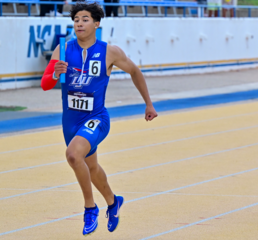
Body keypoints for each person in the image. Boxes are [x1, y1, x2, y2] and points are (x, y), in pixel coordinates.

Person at [41, 2, 158, 235]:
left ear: (96, 23)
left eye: (85, 19)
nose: (79, 24)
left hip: (96, 118)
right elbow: (45, 85)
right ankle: (113, 202)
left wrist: (148, 103)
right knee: (91, 167)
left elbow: (135, 71)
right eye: (76, 20)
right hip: (70, 121)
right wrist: (54, 73)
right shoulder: (62, 49)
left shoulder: (109, 51)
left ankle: (90, 208)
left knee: (74, 155)